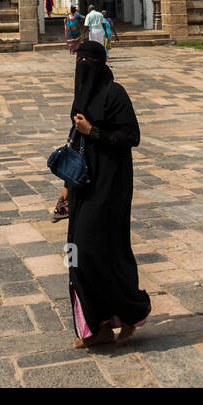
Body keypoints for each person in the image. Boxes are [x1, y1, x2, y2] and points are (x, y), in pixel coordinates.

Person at [64, 40, 151, 347]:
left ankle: (129, 311)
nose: (82, 68)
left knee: (104, 250)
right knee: (75, 252)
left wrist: (95, 132)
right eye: (79, 62)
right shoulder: (81, 97)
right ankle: (96, 325)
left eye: (87, 62)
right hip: (82, 187)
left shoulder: (115, 94)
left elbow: (132, 136)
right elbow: (75, 140)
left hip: (111, 185)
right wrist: (65, 185)